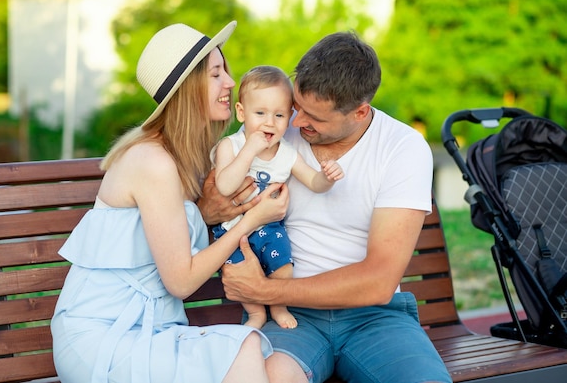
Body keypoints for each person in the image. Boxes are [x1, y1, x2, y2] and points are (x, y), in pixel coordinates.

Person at [198, 31, 452, 383]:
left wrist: (265, 291)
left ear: (359, 112)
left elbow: (378, 280)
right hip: (293, 321)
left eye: (313, 116)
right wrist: (212, 209)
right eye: (296, 106)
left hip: (373, 318)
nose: (296, 122)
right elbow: (208, 205)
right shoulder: (272, 127)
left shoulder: (402, 148)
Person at [50, 21, 290, 383]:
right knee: (245, 349)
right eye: (215, 73)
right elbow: (181, 281)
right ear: (187, 88)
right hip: (105, 336)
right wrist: (252, 220)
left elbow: (176, 230)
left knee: (283, 369)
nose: (229, 82)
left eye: (224, 70)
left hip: (155, 328)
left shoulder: (189, 158)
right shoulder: (153, 162)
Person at [211, 65, 344, 330]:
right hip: (231, 232)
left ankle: (278, 305)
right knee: (239, 270)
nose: (269, 122)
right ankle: (256, 314)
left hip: (270, 229)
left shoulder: (287, 153)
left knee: (283, 265)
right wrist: (249, 150)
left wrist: (327, 177)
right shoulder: (232, 146)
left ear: (289, 116)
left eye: (279, 115)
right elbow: (225, 186)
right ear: (241, 112)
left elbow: (313, 182)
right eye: (260, 113)